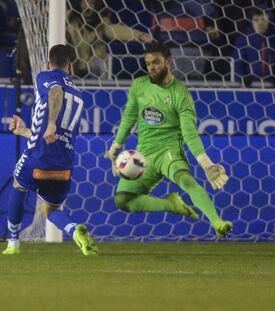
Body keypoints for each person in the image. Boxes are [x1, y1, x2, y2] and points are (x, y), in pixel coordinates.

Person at [105, 43, 233, 238]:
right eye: (148, 64)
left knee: (187, 181)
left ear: (168, 62)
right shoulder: (139, 85)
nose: (151, 68)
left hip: (169, 152)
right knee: (122, 201)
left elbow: (190, 133)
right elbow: (129, 117)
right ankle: (170, 204)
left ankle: (217, 222)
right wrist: (115, 147)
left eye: (156, 63)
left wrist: (206, 164)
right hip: (144, 155)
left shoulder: (180, 94)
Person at [3, 45, 97, 256]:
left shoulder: (45, 77)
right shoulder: (79, 92)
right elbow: (53, 134)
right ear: (70, 65)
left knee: (18, 185)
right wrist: (25, 130)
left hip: (38, 158)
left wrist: (52, 122)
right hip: (63, 164)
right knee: (50, 210)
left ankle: (12, 244)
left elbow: (56, 91)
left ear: (48, 63)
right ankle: (74, 230)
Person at [67, 0, 153, 78]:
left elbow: (115, 30)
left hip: (94, 66)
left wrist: (139, 35)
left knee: (98, 63)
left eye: (91, 3)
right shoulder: (70, 22)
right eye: (84, 2)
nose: (87, 5)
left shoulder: (101, 22)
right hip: (74, 66)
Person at [233, 8, 275, 88]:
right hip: (249, 87)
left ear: (269, 20)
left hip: (273, 87)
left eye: (263, 19)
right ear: (250, 21)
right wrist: (242, 79)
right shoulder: (242, 41)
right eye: (256, 20)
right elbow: (238, 64)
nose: (260, 23)